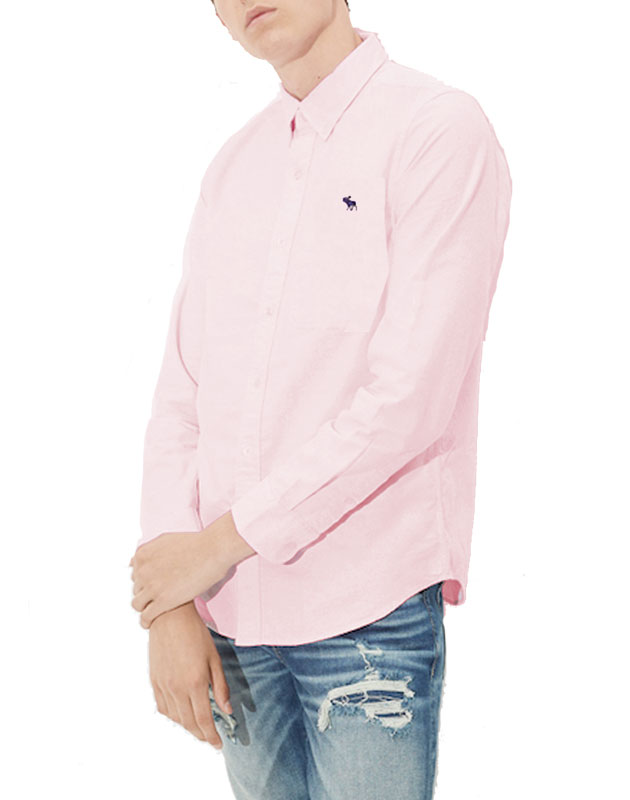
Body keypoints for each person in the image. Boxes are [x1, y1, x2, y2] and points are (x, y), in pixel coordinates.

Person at [128, 2, 512, 798]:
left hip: (365, 609)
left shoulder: (436, 130)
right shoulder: (235, 166)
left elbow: (409, 399)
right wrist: (170, 604)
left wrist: (217, 546)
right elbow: (183, 397)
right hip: (230, 620)